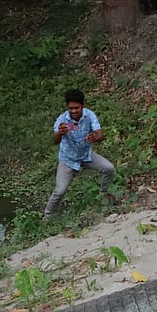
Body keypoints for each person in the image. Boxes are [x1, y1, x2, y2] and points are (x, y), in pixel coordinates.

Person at [43, 89, 115, 219]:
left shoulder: (89, 116)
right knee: (59, 191)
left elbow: (100, 135)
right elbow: (55, 141)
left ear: (82, 105)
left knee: (108, 168)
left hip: (86, 155)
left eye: (77, 108)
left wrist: (95, 137)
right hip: (68, 159)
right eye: (71, 108)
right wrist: (60, 132)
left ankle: (103, 195)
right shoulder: (62, 120)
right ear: (67, 107)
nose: (74, 111)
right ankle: (47, 216)